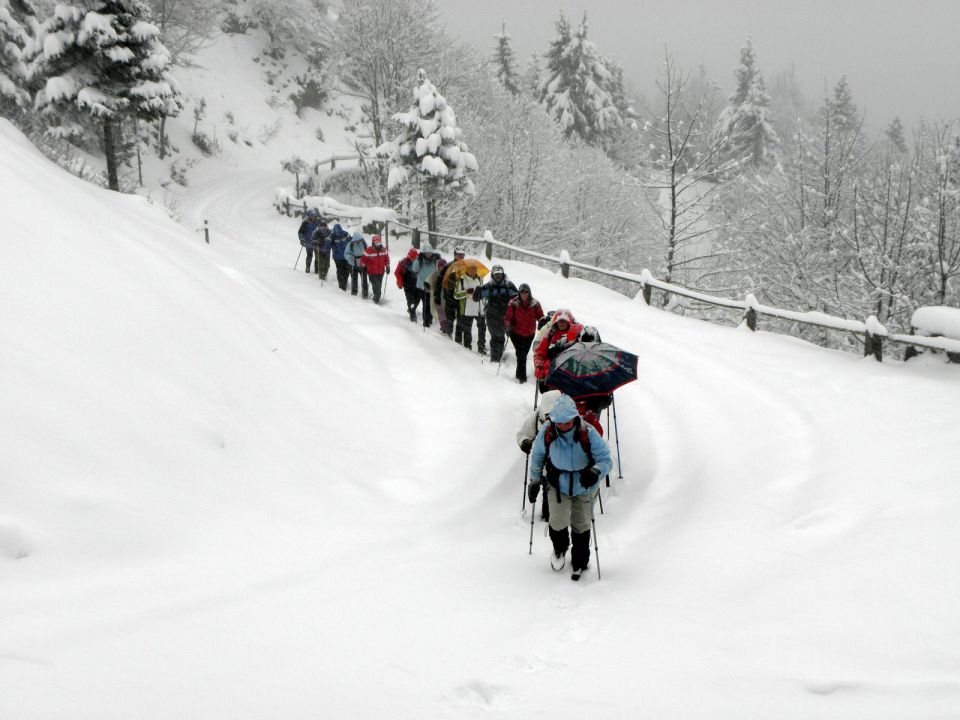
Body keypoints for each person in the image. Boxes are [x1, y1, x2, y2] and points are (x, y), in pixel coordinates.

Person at [528, 393, 612, 580]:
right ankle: (559, 549)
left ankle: (580, 561)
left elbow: (606, 460)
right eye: (559, 422)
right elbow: (538, 456)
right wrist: (534, 481)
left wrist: (596, 471)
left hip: (584, 485)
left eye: (567, 421)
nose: (563, 425)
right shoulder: (548, 431)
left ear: (575, 417)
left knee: (581, 525)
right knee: (557, 521)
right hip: (558, 484)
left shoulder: (588, 432)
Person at [517, 389, 561, 522]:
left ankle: (557, 517)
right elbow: (523, 433)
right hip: (544, 462)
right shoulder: (536, 416)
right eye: (547, 414)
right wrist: (525, 442)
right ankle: (548, 517)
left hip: (563, 463)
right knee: (548, 488)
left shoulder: (567, 417)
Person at [474, 264, 517, 363]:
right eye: (496, 274)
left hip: (505, 316)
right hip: (492, 315)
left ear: (503, 274)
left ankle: (498, 356)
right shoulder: (489, 287)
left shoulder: (508, 286)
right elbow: (476, 298)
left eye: (499, 274)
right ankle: (495, 358)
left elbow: (517, 298)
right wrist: (478, 292)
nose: (498, 276)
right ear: (492, 275)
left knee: (500, 336)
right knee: (496, 336)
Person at [504, 283, 544, 384]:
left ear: (529, 293)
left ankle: (518, 375)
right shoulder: (513, 303)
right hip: (516, 333)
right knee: (521, 355)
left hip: (530, 334)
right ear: (519, 293)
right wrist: (508, 326)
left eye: (526, 292)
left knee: (523, 354)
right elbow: (508, 318)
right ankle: (522, 378)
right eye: (522, 292)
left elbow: (540, 316)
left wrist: (542, 323)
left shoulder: (535, 304)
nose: (524, 294)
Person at [533, 309, 583, 389]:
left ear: (569, 321)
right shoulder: (550, 334)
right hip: (551, 376)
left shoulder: (575, 334)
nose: (561, 323)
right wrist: (538, 366)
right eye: (560, 321)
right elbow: (540, 353)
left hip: (570, 376)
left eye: (564, 321)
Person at [453, 263, 483, 351]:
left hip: (478, 308)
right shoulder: (461, 280)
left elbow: (483, 294)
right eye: (471, 268)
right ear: (467, 269)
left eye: (474, 268)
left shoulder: (480, 279)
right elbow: (456, 295)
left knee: (482, 328)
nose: (473, 270)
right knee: (467, 330)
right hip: (466, 309)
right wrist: (466, 292)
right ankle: (467, 348)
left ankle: (481, 347)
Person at [442, 247, 466, 341]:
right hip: (449, 296)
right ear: (455, 255)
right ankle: (448, 336)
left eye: (463, 255)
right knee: (450, 318)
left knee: (461, 319)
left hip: (462, 296)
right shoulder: (448, 266)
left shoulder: (466, 266)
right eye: (459, 254)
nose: (461, 256)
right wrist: (437, 295)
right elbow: (441, 280)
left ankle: (458, 340)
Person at [415, 245, 440, 328]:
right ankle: (426, 322)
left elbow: (440, 269)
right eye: (426, 253)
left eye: (429, 253)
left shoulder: (435, 260)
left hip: (432, 286)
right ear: (423, 253)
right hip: (422, 286)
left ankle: (430, 320)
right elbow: (415, 269)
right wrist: (418, 260)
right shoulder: (420, 260)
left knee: (431, 304)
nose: (428, 254)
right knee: (426, 304)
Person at [360, 235, 390, 304]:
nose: (378, 245)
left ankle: (375, 300)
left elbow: (387, 259)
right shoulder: (369, 250)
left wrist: (387, 266)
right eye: (376, 243)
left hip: (381, 272)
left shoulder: (384, 250)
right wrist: (363, 266)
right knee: (377, 289)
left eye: (379, 243)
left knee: (378, 286)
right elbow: (363, 259)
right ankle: (375, 302)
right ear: (373, 243)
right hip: (372, 272)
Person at [394, 248, 420, 321]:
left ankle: (411, 309)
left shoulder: (419, 262)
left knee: (417, 300)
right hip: (407, 284)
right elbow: (397, 272)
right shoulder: (403, 262)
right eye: (412, 258)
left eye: (415, 258)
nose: (414, 259)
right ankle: (412, 314)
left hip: (417, 284)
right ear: (409, 257)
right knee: (410, 300)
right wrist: (400, 282)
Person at [427, 258, 450, 334]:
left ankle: (446, 326)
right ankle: (443, 327)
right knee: (440, 312)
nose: (442, 268)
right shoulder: (434, 274)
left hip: (446, 296)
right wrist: (427, 286)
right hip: (437, 296)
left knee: (446, 312)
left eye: (444, 266)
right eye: (441, 266)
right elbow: (428, 282)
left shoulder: (448, 274)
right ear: (438, 266)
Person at [298, 208, 322, 273]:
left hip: (316, 241)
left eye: (314, 215)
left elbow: (322, 230)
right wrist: (302, 240)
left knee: (317, 255)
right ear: (309, 216)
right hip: (308, 241)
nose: (313, 217)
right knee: (309, 255)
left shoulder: (318, 221)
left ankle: (317, 269)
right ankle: (308, 267)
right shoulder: (305, 223)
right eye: (312, 215)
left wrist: (321, 238)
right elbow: (300, 232)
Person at [345, 231, 369, 298]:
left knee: (364, 280)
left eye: (359, 239)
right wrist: (350, 257)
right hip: (353, 264)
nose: (358, 241)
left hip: (363, 264)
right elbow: (346, 254)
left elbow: (368, 251)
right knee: (354, 280)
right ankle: (354, 293)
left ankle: (365, 294)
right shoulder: (350, 244)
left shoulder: (363, 242)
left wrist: (368, 259)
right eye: (357, 240)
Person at [330, 223, 352, 291]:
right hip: (337, 257)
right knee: (340, 271)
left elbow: (351, 242)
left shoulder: (345, 234)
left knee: (346, 271)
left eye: (339, 231)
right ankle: (341, 286)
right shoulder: (332, 236)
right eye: (336, 231)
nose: (338, 233)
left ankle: (344, 282)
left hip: (346, 257)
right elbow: (328, 244)